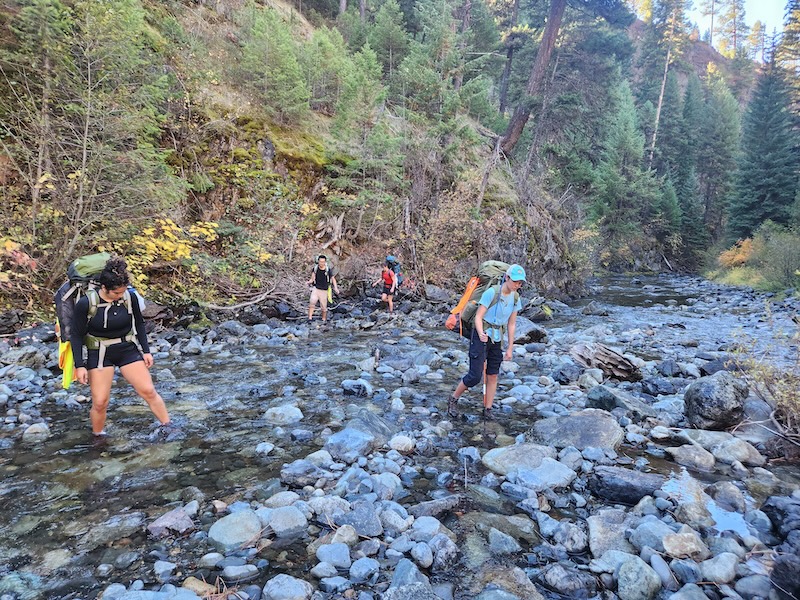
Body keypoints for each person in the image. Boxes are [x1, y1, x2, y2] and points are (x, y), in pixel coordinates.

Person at [70, 257, 174, 438]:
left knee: (148, 391)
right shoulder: (86, 303)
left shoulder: (129, 297)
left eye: (123, 291)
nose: (120, 296)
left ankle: (168, 426)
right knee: (100, 402)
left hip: (127, 348)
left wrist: (146, 350)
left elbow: (139, 324)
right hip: (100, 352)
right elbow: (76, 335)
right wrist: (80, 365)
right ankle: (98, 437)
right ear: (104, 287)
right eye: (116, 293)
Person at [447, 264, 525, 420]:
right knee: (475, 376)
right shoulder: (492, 292)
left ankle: (488, 409)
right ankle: (453, 399)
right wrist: (481, 332)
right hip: (481, 335)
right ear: (507, 278)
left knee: (493, 375)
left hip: (497, 338)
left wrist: (510, 347)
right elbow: (478, 316)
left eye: (520, 282)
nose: (518, 285)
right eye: (515, 281)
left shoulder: (516, 298)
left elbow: (511, 324)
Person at [307, 255, 339, 324]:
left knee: (323, 307)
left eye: (323, 262)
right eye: (320, 262)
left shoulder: (328, 270)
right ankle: (310, 318)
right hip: (316, 289)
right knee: (312, 302)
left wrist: (336, 288)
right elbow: (312, 278)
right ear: (318, 261)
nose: (322, 263)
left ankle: (323, 319)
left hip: (324, 290)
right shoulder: (315, 268)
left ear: (325, 262)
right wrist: (308, 282)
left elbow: (333, 279)